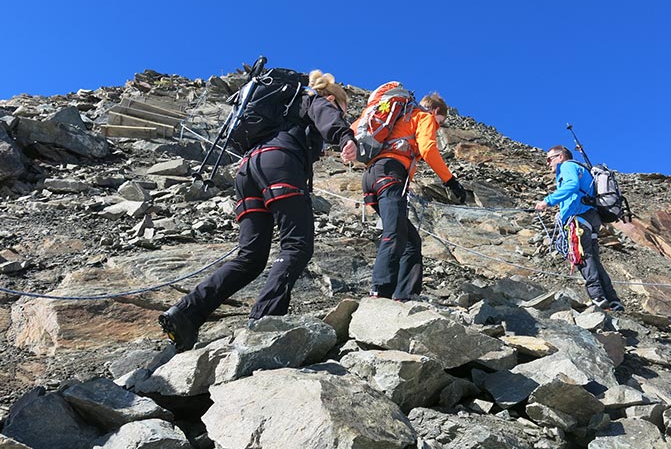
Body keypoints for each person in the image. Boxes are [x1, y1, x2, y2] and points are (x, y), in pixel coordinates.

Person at [159, 70, 357, 352]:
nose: (344, 113)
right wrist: (344, 136)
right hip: (280, 165)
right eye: (344, 108)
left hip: (249, 170)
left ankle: (186, 313)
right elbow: (323, 111)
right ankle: (264, 322)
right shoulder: (314, 98)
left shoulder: (280, 108)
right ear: (332, 98)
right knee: (296, 246)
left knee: (250, 257)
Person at [361, 90, 467, 300]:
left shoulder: (402, 118)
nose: (437, 126)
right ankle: (380, 291)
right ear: (435, 111)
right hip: (390, 174)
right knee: (394, 233)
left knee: (411, 240)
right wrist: (451, 181)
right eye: (440, 121)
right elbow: (428, 149)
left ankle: (405, 293)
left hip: (373, 175)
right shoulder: (424, 116)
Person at [534, 145, 624, 311]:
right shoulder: (580, 168)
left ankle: (598, 298)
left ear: (560, 157)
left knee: (582, 256)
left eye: (549, 159)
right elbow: (577, 193)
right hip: (591, 218)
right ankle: (612, 300)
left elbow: (572, 186)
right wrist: (561, 213)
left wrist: (548, 201)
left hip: (580, 218)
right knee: (593, 259)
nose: (548, 164)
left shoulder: (567, 166)